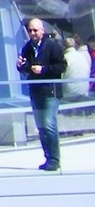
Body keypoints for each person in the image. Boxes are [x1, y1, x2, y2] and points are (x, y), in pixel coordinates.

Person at [17, 17, 65, 172]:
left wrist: (43, 70)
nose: (32, 33)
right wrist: (21, 66)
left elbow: (61, 66)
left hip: (50, 91)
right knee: (42, 127)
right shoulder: (27, 47)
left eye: (35, 30)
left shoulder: (52, 45)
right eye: (30, 30)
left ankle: (54, 159)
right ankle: (48, 157)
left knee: (49, 125)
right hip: (36, 91)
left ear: (42, 31)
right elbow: (25, 68)